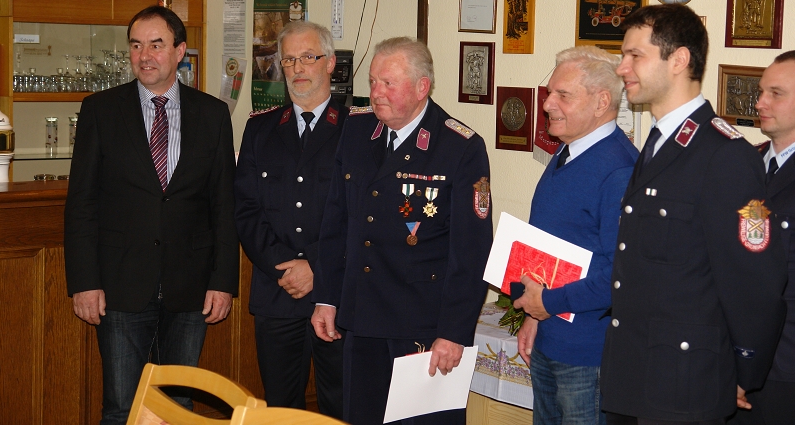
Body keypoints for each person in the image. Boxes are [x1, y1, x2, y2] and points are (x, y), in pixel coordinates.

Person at [600, 3, 787, 425]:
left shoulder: (724, 155)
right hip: (634, 377)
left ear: (679, 60)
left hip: (686, 385)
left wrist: (743, 371)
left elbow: (754, 284)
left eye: (635, 55)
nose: (622, 68)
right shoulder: (659, 142)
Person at [64, 6, 239, 425]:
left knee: (179, 409)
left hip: (190, 288)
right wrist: (84, 282)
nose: (145, 56)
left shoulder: (212, 114)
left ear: (179, 52)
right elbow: (81, 204)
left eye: (156, 45)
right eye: (136, 45)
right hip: (120, 286)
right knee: (122, 408)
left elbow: (224, 206)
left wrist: (223, 282)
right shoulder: (100, 110)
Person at [311, 37, 493, 425]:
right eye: (373, 81)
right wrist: (326, 297)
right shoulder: (357, 129)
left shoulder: (459, 147)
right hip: (361, 318)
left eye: (388, 83)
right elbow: (335, 223)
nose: (376, 93)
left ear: (422, 87)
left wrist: (454, 333)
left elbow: (472, 252)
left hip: (422, 327)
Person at [513, 46, 638, 425]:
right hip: (549, 338)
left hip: (588, 355)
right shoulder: (568, 151)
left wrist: (547, 303)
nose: (547, 104)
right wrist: (534, 315)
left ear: (602, 102)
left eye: (562, 95)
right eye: (550, 92)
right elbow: (550, 244)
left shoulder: (619, 169)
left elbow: (620, 274)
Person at [234, 21, 347, 419]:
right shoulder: (260, 129)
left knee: (340, 408)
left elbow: (361, 216)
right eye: (289, 60)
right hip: (277, 293)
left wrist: (315, 265)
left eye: (308, 57)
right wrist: (285, 268)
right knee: (281, 410)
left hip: (337, 293)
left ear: (330, 63)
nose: (298, 68)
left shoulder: (359, 128)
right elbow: (246, 210)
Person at [727, 51, 795, 425]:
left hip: (785, 366)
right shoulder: (745, 165)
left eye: (776, 93)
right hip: (731, 357)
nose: (760, 103)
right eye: (761, 92)